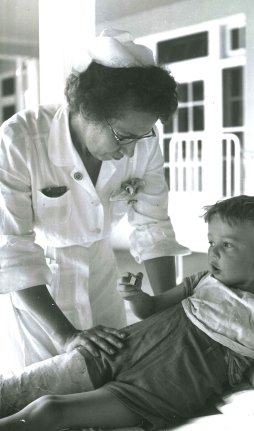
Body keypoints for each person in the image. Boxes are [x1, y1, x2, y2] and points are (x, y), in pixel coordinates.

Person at [0, 195, 254, 431]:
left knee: (50, 412)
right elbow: (150, 308)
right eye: (211, 243)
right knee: (15, 390)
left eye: (227, 245)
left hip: (160, 388)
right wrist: (134, 294)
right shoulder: (202, 279)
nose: (213, 252)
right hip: (125, 349)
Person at [0, 28, 189, 371]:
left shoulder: (142, 140)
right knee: (41, 391)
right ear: (86, 111)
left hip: (103, 278)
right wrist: (65, 334)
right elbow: (12, 248)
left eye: (141, 136)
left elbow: (152, 225)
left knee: (108, 378)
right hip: (40, 295)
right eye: (123, 137)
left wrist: (166, 311)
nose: (132, 149)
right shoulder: (19, 140)